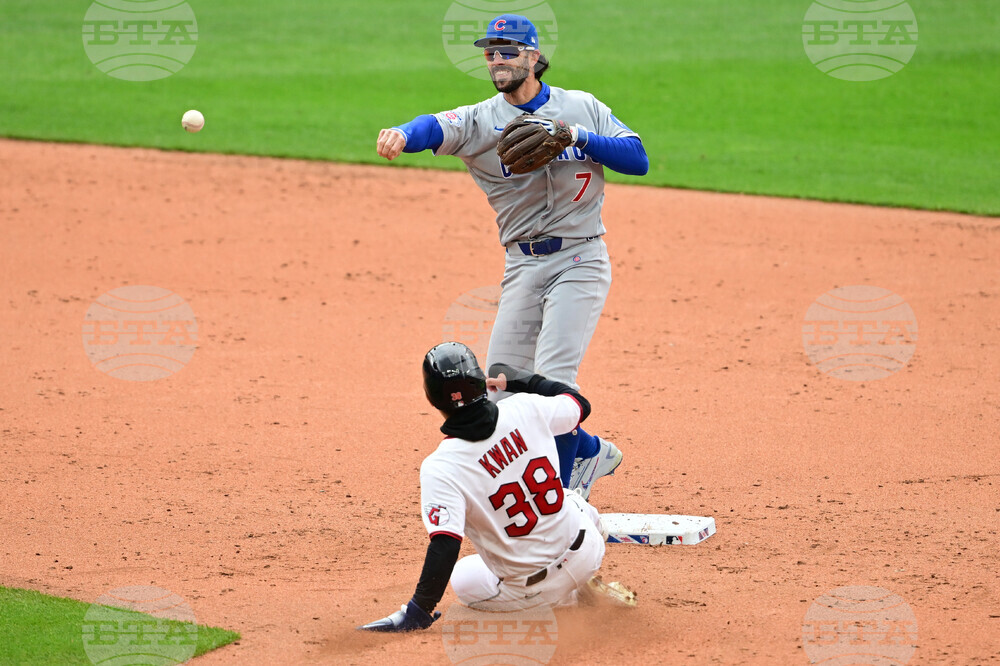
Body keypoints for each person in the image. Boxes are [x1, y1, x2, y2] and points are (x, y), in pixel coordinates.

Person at [376, 14, 648, 501]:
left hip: (580, 258)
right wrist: (401, 132)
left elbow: (637, 158)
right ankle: (589, 451)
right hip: (522, 264)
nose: (497, 60)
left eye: (507, 51)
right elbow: (432, 127)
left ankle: (560, 503)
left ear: (533, 56)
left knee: (555, 382)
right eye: (490, 53)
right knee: (502, 386)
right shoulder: (481, 120)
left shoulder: (581, 107)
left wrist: (576, 136)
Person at [358, 342, 635, 632]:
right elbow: (579, 404)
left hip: (534, 590)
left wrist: (419, 609)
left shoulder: (441, 467)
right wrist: (525, 380)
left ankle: (567, 600)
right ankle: (585, 572)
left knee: (463, 576)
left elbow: (445, 545)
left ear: (432, 399)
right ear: (481, 383)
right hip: (587, 552)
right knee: (568, 497)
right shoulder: (525, 407)